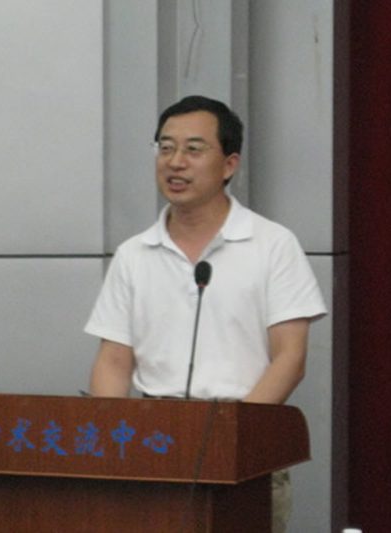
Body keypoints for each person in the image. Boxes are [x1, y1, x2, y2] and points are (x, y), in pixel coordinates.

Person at [84, 95, 327, 531]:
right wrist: (112, 437)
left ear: (229, 164)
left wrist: (232, 438)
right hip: (153, 446)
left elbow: (290, 358)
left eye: (193, 149)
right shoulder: (134, 254)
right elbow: (114, 360)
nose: (175, 162)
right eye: (166, 148)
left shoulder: (272, 245)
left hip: (245, 449)